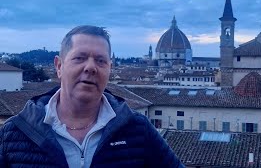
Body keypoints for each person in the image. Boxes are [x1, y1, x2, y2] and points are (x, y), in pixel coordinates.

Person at [0, 25, 183, 167]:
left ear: (110, 69)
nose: (90, 67)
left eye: (101, 60)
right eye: (79, 58)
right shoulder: (13, 133)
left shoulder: (138, 129)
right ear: (59, 66)